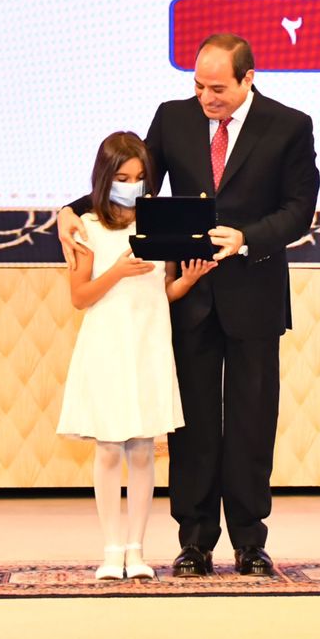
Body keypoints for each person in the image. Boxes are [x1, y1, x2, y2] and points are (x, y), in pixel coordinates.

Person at [58, 34, 319, 578]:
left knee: (251, 421)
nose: (206, 97)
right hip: (189, 297)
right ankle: (195, 542)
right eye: (199, 86)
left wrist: (245, 237)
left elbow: (299, 209)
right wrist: (69, 209)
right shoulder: (173, 118)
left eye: (217, 88)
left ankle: (250, 541)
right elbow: (134, 178)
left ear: (248, 78)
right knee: (193, 426)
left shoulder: (289, 125)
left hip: (254, 293)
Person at [56, 131, 214, 580]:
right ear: (104, 177)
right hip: (108, 345)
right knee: (109, 448)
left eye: (140, 177)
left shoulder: (158, 222)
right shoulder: (85, 225)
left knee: (143, 449)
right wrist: (118, 270)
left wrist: (187, 281)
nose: (132, 185)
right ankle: (111, 549)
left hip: (149, 342)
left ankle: (136, 549)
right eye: (123, 178)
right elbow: (80, 296)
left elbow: (164, 290)